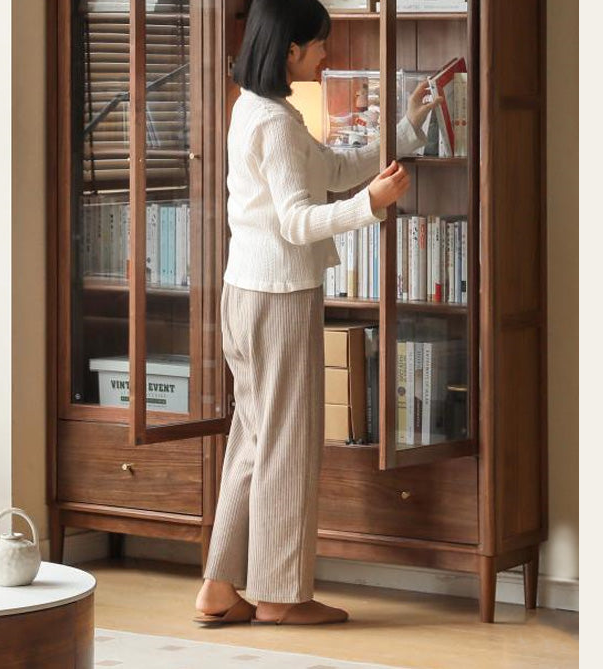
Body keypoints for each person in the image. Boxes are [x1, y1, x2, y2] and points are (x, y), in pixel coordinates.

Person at [193, 0, 439, 626]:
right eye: (320, 45)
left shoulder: (258, 109)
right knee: (287, 448)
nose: (328, 54)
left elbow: (328, 169)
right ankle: (279, 597)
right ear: (292, 50)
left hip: (247, 294)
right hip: (276, 298)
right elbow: (298, 221)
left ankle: (220, 587)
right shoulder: (273, 122)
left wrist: (403, 132)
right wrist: (371, 206)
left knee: (253, 441)